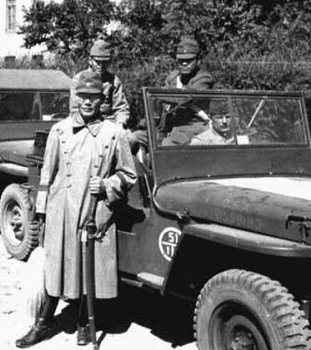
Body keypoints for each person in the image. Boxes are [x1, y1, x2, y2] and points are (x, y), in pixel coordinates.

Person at [16, 71, 136, 348]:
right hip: (61, 212)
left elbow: (128, 175)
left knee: (87, 269)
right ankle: (42, 324)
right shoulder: (59, 130)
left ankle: (83, 321)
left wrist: (107, 183)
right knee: (54, 269)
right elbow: (47, 175)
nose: (87, 102)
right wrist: (43, 215)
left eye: (93, 97)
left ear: (101, 100)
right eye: (82, 96)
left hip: (94, 214)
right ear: (75, 97)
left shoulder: (114, 133)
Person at [160, 36, 215, 145]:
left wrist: (158, 94)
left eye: (189, 60)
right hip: (169, 127)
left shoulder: (204, 78)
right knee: (134, 139)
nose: (184, 64)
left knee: (167, 145)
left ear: (198, 60)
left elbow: (186, 97)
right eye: (181, 60)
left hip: (193, 128)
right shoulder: (173, 77)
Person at [70, 39, 130, 128]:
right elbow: (75, 110)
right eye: (97, 62)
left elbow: (121, 108)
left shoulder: (113, 81)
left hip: (109, 125)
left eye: (105, 62)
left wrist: (120, 124)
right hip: (85, 125)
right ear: (90, 60)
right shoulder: (78, 79)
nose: (101, 66)